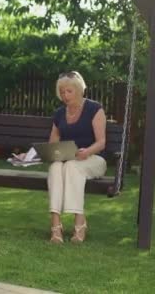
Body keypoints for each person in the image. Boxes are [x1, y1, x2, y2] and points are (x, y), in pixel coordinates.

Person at [47, 71, 107, 243]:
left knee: (71, 167)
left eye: (69, 91)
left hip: (94, 159)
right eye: (62, 92)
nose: (65, 96)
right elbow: (53, 143)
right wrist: (32, 155)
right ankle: (55, 226)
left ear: (79, 90)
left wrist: (87, 151)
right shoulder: (59, 114)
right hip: (69, 160)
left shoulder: (95, 109)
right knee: (56, 167)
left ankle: (79, 222)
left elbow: (101, 142)